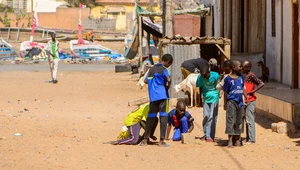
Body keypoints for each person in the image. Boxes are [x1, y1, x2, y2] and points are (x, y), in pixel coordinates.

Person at [140, 53, 173, 147]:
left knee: (151, 118)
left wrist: (152, 85)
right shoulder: (165, 69)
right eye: (169, 64)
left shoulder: (151, 69)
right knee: (163, 118)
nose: (169, 66)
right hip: (163, 96)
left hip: (153, 97)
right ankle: (161, 141)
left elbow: (145, 80)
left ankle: (145, 140)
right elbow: (169, 79)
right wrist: (167, 86)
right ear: (168, 62)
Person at [222, 60, 249, 147]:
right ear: (234, 68)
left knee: (239, 120)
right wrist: (225, 103)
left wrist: (246, 97)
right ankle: (230, 140)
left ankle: (237, 139)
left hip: (240, 102)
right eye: (240, 66)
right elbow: (225, 92)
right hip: (231, 102)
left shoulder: (241, 77)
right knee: (231, 120)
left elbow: (242, 88)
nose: (241, 68)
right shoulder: (228, 79)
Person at [242, 60, 265, 144]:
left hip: (250, 100)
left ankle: (251, 139)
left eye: (243, 67)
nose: (242, 68)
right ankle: (248, 137)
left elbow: (261, 83)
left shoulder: (251, 76)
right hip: (246, 100)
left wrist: (253, 91)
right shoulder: (245, 76)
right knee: (247, 120)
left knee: (250, 119)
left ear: (248, 68)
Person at [196, 66, 220, 142]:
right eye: (202, 76)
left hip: (214, 98)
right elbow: (199, 88)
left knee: (212, 117)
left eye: (205, 75)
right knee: (206, 116)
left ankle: (210, 136)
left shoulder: (215, 75)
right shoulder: (200, 77)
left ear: (209, 72)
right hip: (206, 99)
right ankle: (206, 134)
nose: (204, 77)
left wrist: (219, 94)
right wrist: (199, 100)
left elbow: (219, 85)